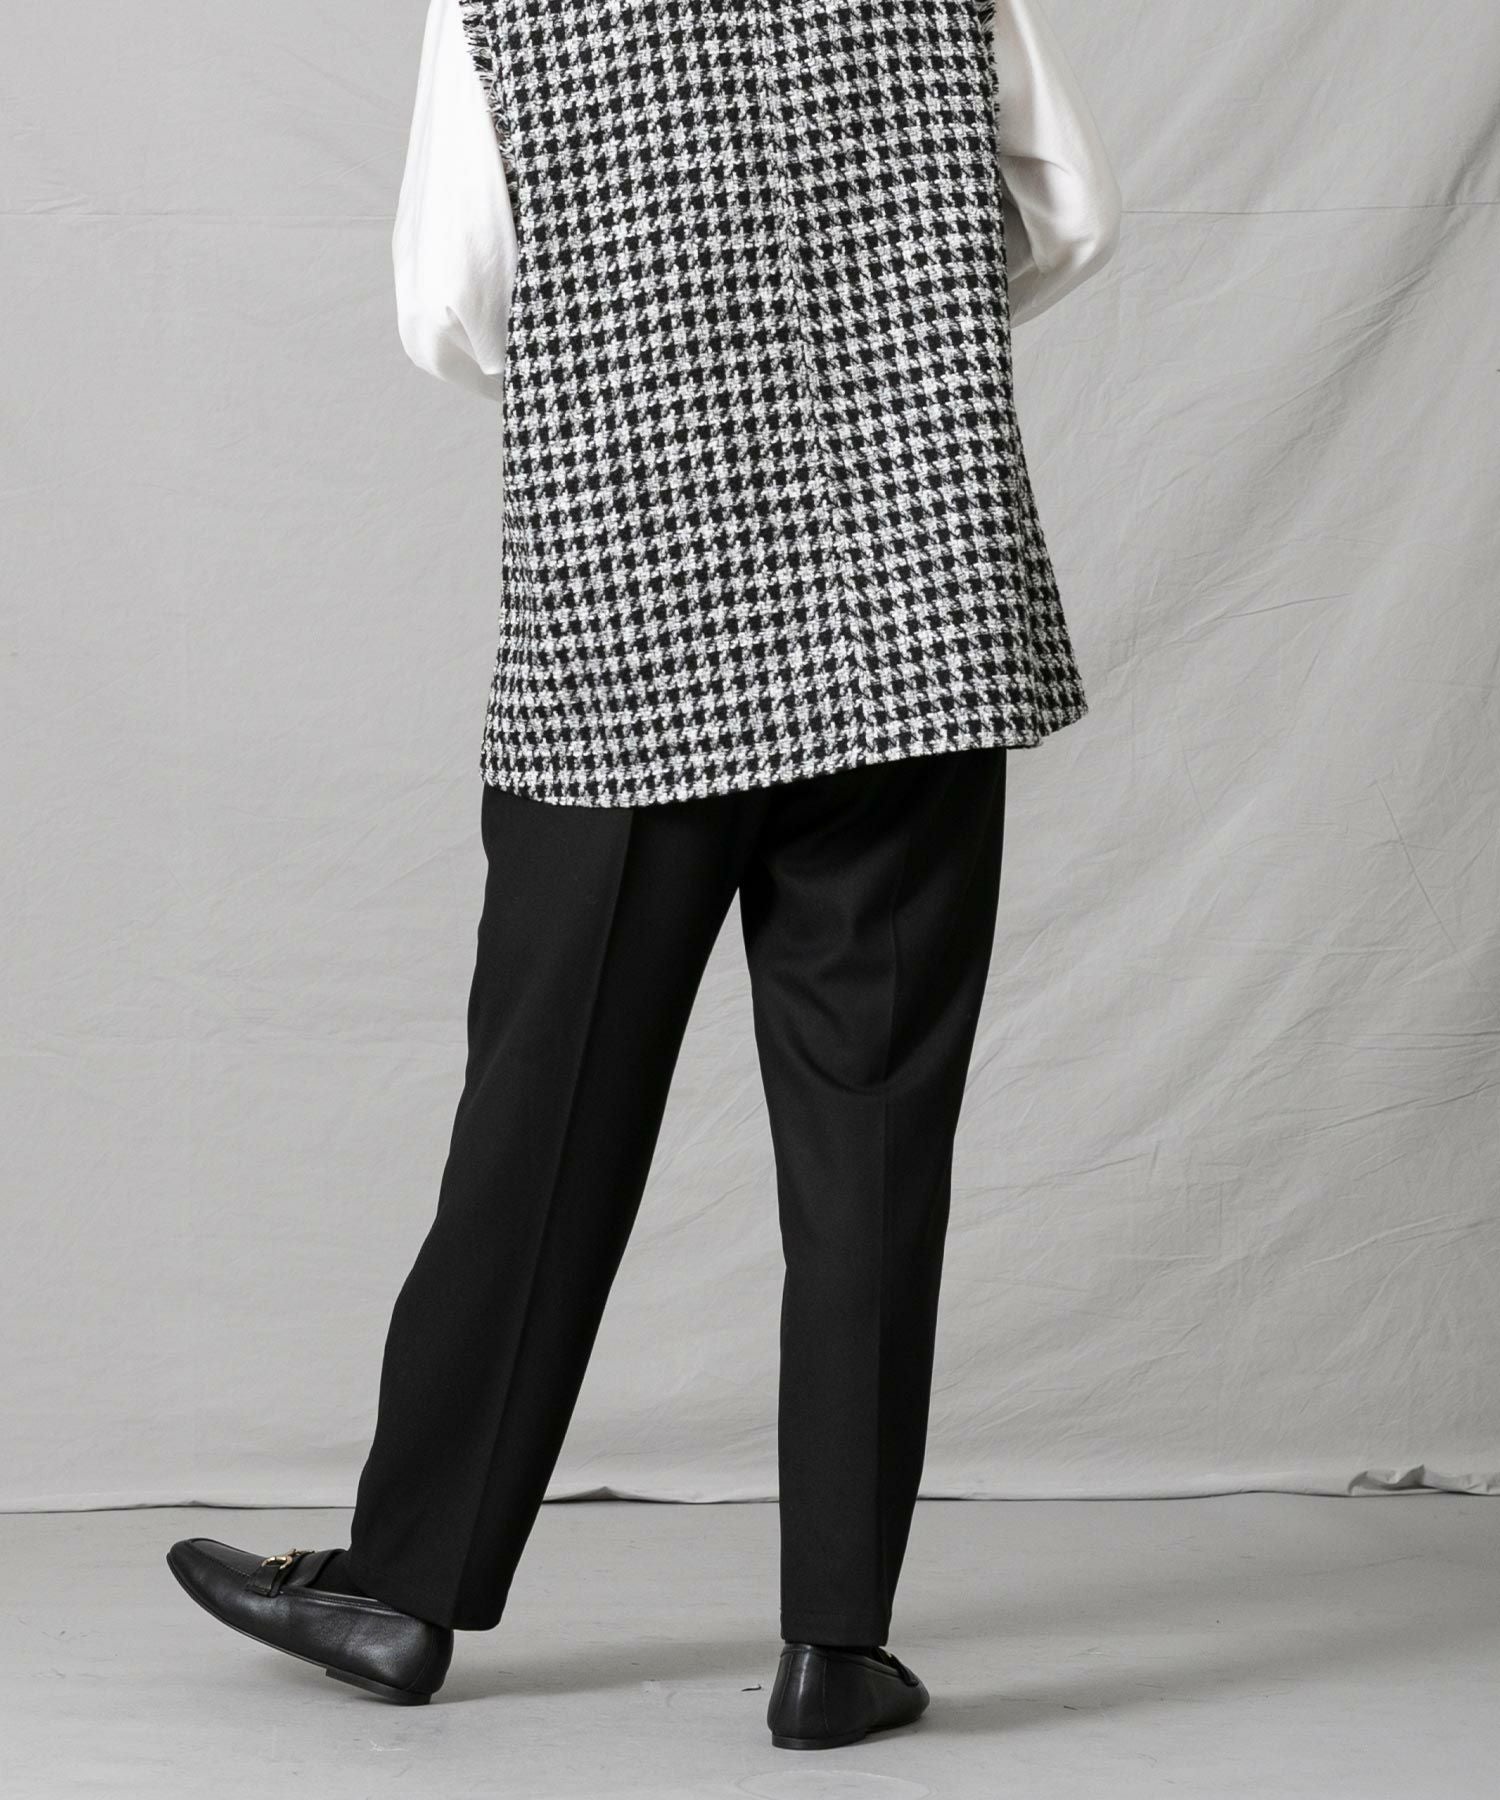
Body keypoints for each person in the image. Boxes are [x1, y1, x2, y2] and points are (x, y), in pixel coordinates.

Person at [167, 0, 1121, 1750]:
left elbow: (452, 304)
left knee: (543, 1123)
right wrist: (882, 345)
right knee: (873, 1141)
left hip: (636, 603)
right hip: (915, 603)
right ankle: (836, 1646)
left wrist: (648, 376)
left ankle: (401, 1591)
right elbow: (1070, 217)